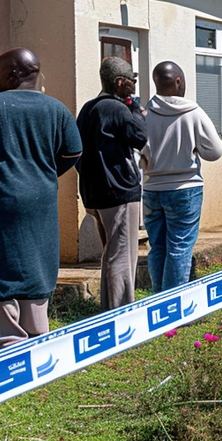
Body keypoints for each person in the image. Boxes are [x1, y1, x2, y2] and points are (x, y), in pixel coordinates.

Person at [0, 48, 82, 350]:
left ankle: (7, 341)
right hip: (42, 201)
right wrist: (43, 172)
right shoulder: (58, 109)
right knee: (38, 261)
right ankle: (36, 334)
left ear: (11, 74)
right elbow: (73, 152)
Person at [140, 61, 222, 294]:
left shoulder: (145, 114)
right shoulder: (193, 113)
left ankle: (159, 298)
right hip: (185, 188)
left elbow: (138, 151)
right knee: (179, 247)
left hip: (152, 188)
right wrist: (194, 149)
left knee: (157, 246)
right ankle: (173, 305)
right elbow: (215, 152)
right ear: (178, 82)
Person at [76, 56, 147, 312]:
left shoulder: (87, 108)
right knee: (122, 256)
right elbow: (140, 136)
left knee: (110, 252)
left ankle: (110, 308)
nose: (135, 86)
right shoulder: (117, 109)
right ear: (119, 83)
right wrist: (136, 110)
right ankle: (121, 313)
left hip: (94, 192)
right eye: (132, 81)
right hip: (118, 192)